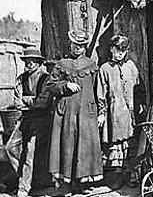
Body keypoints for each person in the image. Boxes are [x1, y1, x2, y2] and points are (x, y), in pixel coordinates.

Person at [48, 29, 103, 195]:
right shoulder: (61, 64)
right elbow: (50, 86)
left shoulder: (91, 64)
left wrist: (101, 111)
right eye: (75, 44)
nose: (78, 48)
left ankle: (81, 183)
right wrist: (65, 86)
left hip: (86, 111)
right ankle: (66, 185)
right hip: (67, 112)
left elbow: (97, 88)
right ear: (70, 44)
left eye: (82, 45)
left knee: (85, 146)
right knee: (67, 144)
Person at [6, 46, 54, 197]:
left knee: (30, 152)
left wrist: (27, 100)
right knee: (10, 147)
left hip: (41, 120)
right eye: (27, 61)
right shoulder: (21, 79)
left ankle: (24, 188)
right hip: (26, 119)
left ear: (39, 63)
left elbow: (43, 102)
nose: (29, 64)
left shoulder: (46, 79)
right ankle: (25, 176)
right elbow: (16, 102)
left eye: (33, 61)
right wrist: (29, 102)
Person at [96, 35, 139, 187]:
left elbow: (138, 87)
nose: (120, 53)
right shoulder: (105, 69)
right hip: (114, 112)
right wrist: (101, 113)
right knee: (116, 145)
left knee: (130, 144)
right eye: (117, 50)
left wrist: (139, 105)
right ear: (111, 49)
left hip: (130, 112)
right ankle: (116, 178)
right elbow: (101, 94)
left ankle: (131, 175)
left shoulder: (131, 66)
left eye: (123, 50)